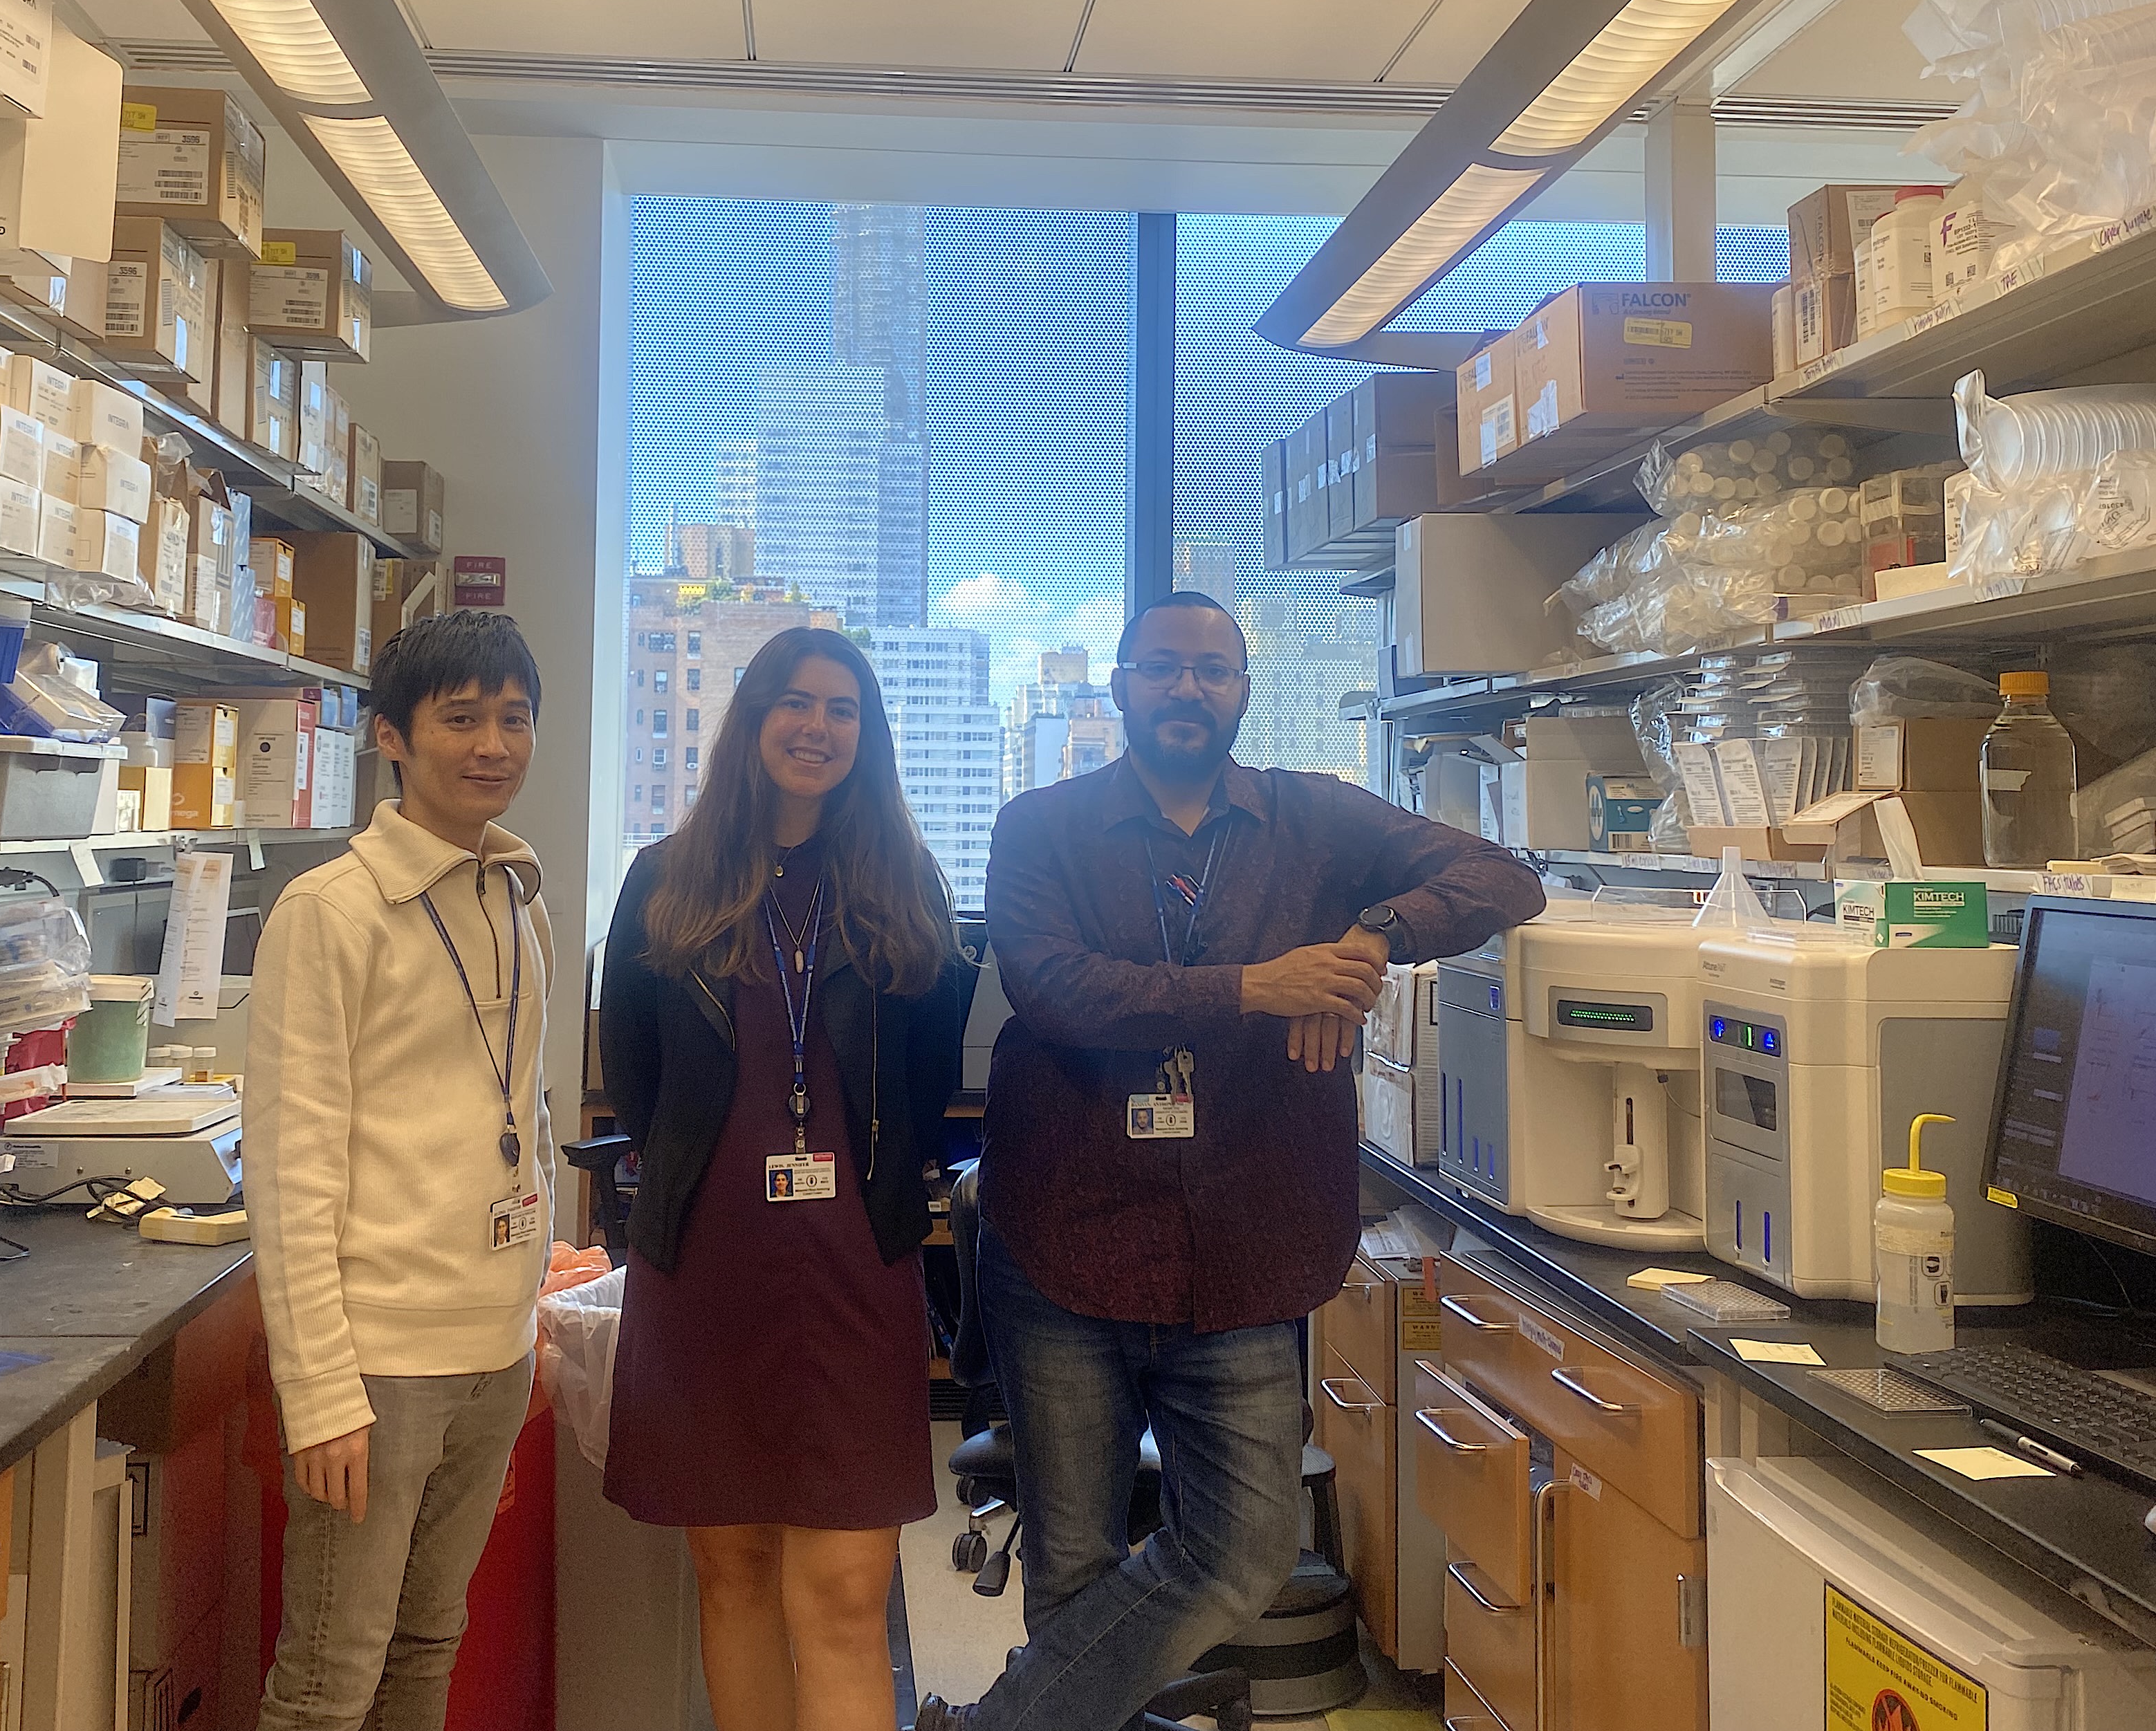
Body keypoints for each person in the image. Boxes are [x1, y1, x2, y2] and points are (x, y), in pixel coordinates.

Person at [916, 591, 1545, 1731]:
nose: (1188, 688)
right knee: (1074, 1558)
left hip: (1245, 1245)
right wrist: (1263, 988)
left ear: (1244, 693)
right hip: (1069, 1236)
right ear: (1120, 685)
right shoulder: (1040, 825)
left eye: (1213, 670)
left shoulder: (1318, 822)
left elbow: (1505, 878)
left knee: (1248, 1545)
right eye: (1163, 667)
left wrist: (1370, 938)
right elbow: (1059, 989)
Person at [600, 625, 975, 1731]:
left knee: (850, 1594)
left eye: (844, 709)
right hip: (706, 1269)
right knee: (735, 1574)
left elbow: (927, 1080)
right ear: (754, 720)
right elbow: (635, 1078)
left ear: (869, 736)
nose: (819, 727)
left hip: (857, 1265)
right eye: (796, 704)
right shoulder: (664, 883)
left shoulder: (903, 886)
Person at [247, 611, 556, 1731]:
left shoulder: (517, 896)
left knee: (430, 1644)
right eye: (460, 718)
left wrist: (523, 1334)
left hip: (491, 1351)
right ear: (390, 735)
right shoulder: (329, 913)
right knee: (330, 1679)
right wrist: (319, 1391)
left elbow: (524, 1111)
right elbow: (289, 1174)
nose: (492, 745)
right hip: (376, 1363)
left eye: (513, 720)